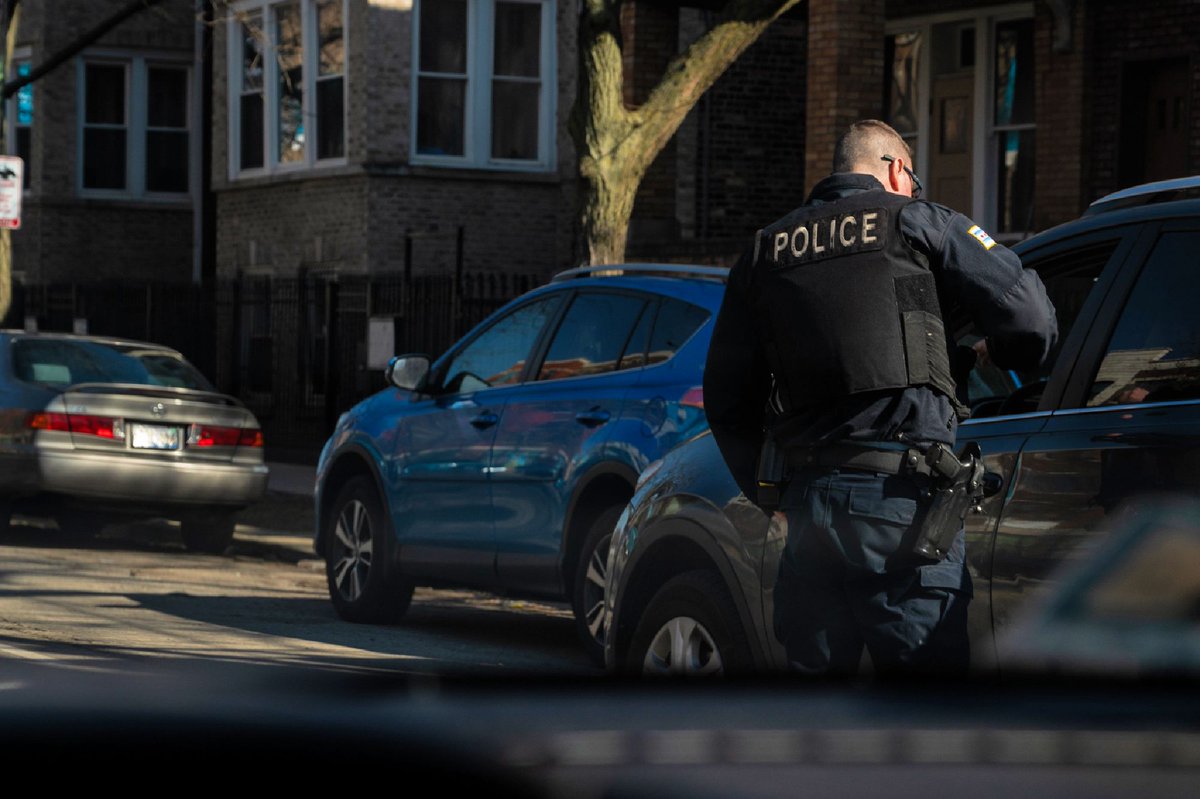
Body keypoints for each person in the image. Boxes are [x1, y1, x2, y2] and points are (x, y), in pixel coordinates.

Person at [704, 120, 1058, 676]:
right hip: (902, 507)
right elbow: (1031, 319)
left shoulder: (764, 251)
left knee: (817, 719)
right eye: (913, 180)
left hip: (809, 513)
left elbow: (726, 400)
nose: (914, 191)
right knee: (924, 720)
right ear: (896, 169)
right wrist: (1006, 356)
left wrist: (773, 496)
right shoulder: (916, 222)